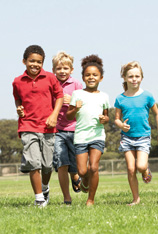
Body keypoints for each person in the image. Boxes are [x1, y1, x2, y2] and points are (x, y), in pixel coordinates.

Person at [12, 45, 64, 207]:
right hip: (27, 126)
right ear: (24, 61)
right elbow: (18, 98)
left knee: (47, 165)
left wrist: (54, 115)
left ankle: (45, 187)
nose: (35, 64)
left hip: (48, 127)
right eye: (31, 61)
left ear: (43, 63)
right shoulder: (17, 82)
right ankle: (39, 198)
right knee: (33, 163)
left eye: (39, 62)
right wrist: (19, 108)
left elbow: (60, 96)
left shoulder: (50, 78)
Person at [114, 61, 158, 206]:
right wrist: (121, 125)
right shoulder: (120, 98)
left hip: (143, 136)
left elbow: (157, 114)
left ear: (142, 78)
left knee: (141, 166)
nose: (134, 79)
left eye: (137, 76)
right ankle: (136, 199)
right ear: (124, 78)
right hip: (127, 138)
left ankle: (145, 171)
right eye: (130, 76)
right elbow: (116, 119)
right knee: (131, 169)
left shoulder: (147, 96)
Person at [66, 55, 110, 206]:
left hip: (97, 135)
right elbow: (69, 115)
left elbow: (106, 116)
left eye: (95, 75)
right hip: (81, 137)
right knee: (83, 171)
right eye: (88, 75)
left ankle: (90, 199)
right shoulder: (77, 94)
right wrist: (75, 108)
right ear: (83, 78)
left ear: (101, 78)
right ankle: (84, 182)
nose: (91, 77)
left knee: (94, 167)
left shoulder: (104, 96)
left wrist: (105, 120)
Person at [52, 51, 83, 205]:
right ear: (53, 70)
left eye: (65, 68)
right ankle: (67, 198)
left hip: (75, 129)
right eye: (58, 68)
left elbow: (84, 104)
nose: (62, 71)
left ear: (71, 70)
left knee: (75, 164)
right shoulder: (51, 83)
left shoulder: (76, 84)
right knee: (61, 163)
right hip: (57, 131)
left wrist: (73, 100)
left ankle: (75, 176)